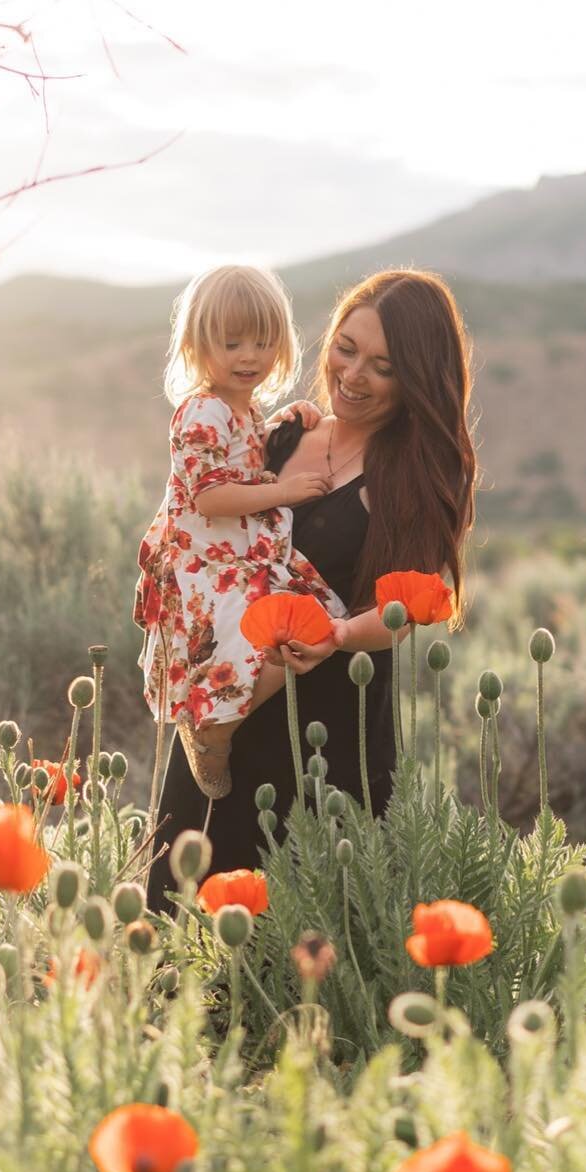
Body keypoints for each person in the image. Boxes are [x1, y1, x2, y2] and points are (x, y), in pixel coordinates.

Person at [148, 269, 478, 906]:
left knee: (305, 959)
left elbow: (406, 608)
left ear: (417, 378)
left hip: (327, 747)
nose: (353, 376)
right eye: (346, 349)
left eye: (382, 366)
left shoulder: (419, 477)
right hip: (224, 731)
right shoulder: (281, 436)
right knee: (177, 941)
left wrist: (338, 636)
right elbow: (209, 523)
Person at [134, 264, 343, 800]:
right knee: (265, 632)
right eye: (231, 343)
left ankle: (218, 723)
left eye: (263, 341)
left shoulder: (241, 409)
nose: (249, 356)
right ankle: (215, 727)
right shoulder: (202, 409)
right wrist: (285, 492)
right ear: (198, 346)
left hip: (238, 549)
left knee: (319, 620)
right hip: (206, 559)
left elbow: (241, 456)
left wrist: (280, 424)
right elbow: (210, 495)